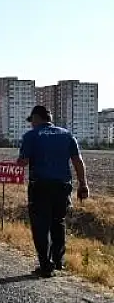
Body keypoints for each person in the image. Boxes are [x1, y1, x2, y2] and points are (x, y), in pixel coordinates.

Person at [17, 105, 89, 278]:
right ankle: (58, 261)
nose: (31, 124)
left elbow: (23, 162)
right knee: (58, 222)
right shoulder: (67, 134)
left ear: (36, 118)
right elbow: (78, 161)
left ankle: (45, 265)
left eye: (32, 121)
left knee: (40, 226)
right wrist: (83, 184)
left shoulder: (31, 136)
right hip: (62, 186)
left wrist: (21, 160)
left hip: (40, 187)